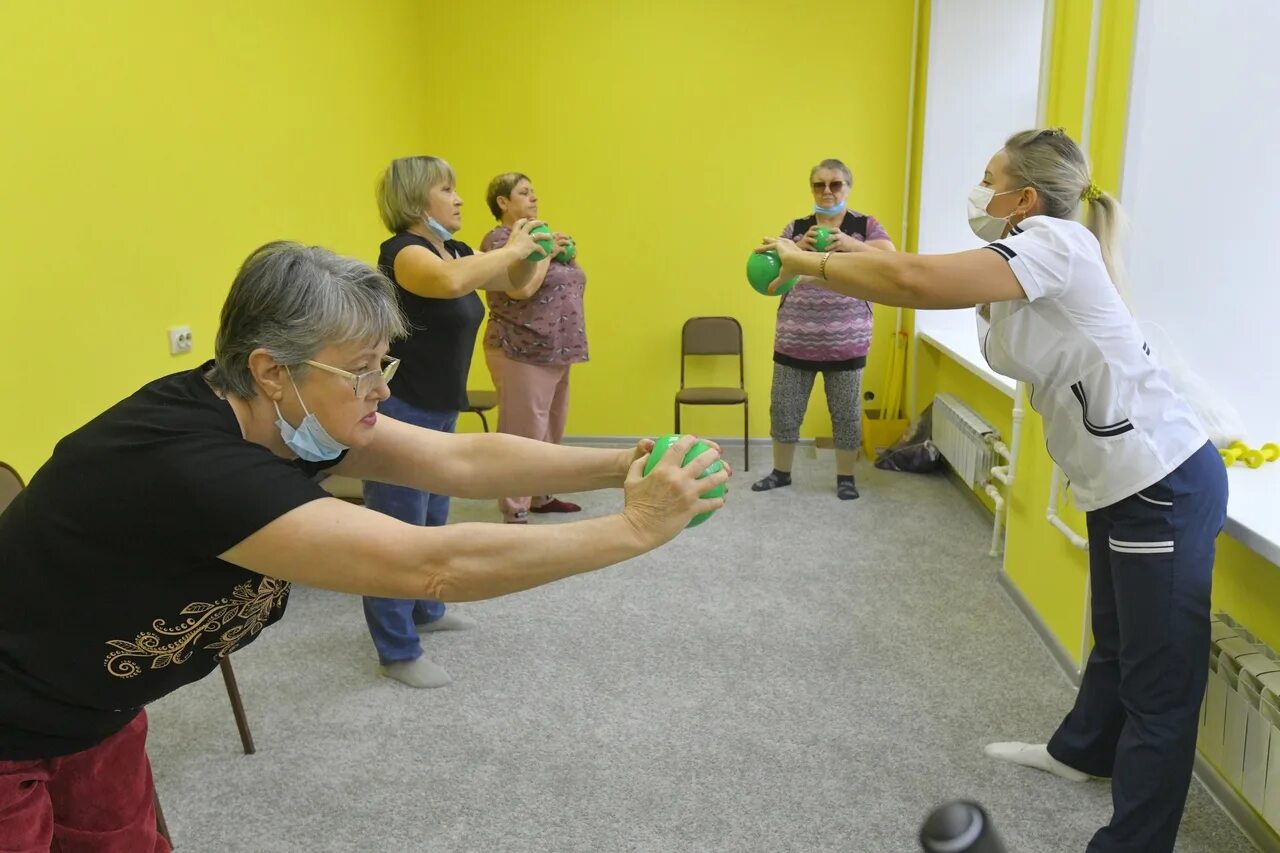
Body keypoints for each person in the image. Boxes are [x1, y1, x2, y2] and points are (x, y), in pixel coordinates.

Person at [0, 242, 728, 852]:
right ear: (269, 368)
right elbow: (431, 565)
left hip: (99, 705)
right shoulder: (195, 463)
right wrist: (633, 528)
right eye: (362, 368)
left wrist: (620, 463)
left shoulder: (279, 418)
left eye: (385, 362)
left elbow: (459, 461)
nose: (380, 387)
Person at [761, 128, 1227, 853]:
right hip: (1120, 480)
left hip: (1160, 481)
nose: (978, 189)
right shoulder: (1029, 247)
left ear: (1024, 197)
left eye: (988, 177)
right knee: (1115, 636)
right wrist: (848, 255)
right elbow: (918, 271)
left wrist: (807, 263)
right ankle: (1083, 753)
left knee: (1159, 684)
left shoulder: (1055, 243)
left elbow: (915, 284)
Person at [363, 156, 569, 688]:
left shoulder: (453, 248)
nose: (457, 199)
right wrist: (513, 247)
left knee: (433, 521)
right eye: (446, 189)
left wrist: (531, 251)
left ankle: (427, 612)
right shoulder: (403, 255)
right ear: (415, 200)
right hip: (397, 409)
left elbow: (517, 286)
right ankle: (397, 650)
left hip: (439, 405)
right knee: (396, 536)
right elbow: (453, 283)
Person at [750, 158, 895, 501]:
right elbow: (771, 280)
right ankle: (780, 472)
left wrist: (848, 243)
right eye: (819, 184)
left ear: (847, 187)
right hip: (793, 340)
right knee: (784, 410)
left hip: (847, 343)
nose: (827, 191)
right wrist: (797, 249)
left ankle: (846, 478)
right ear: (812, 188)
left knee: (846, 416)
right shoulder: (796, 227)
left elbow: (890, 259)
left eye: (835, 184)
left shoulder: (864, 225)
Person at [481, 172, 589, 523]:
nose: (534, 198)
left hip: (558, 347)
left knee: (550, 430)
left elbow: (570, 281)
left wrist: (563, 253)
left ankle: (541, 494)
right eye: (524, 192)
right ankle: (515, 509)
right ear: (503, 202)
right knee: (522, 433)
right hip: (520, 347)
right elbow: (521, 288)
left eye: (533, 192)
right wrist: (548, 253)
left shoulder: (541, 240)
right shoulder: (501, 240)